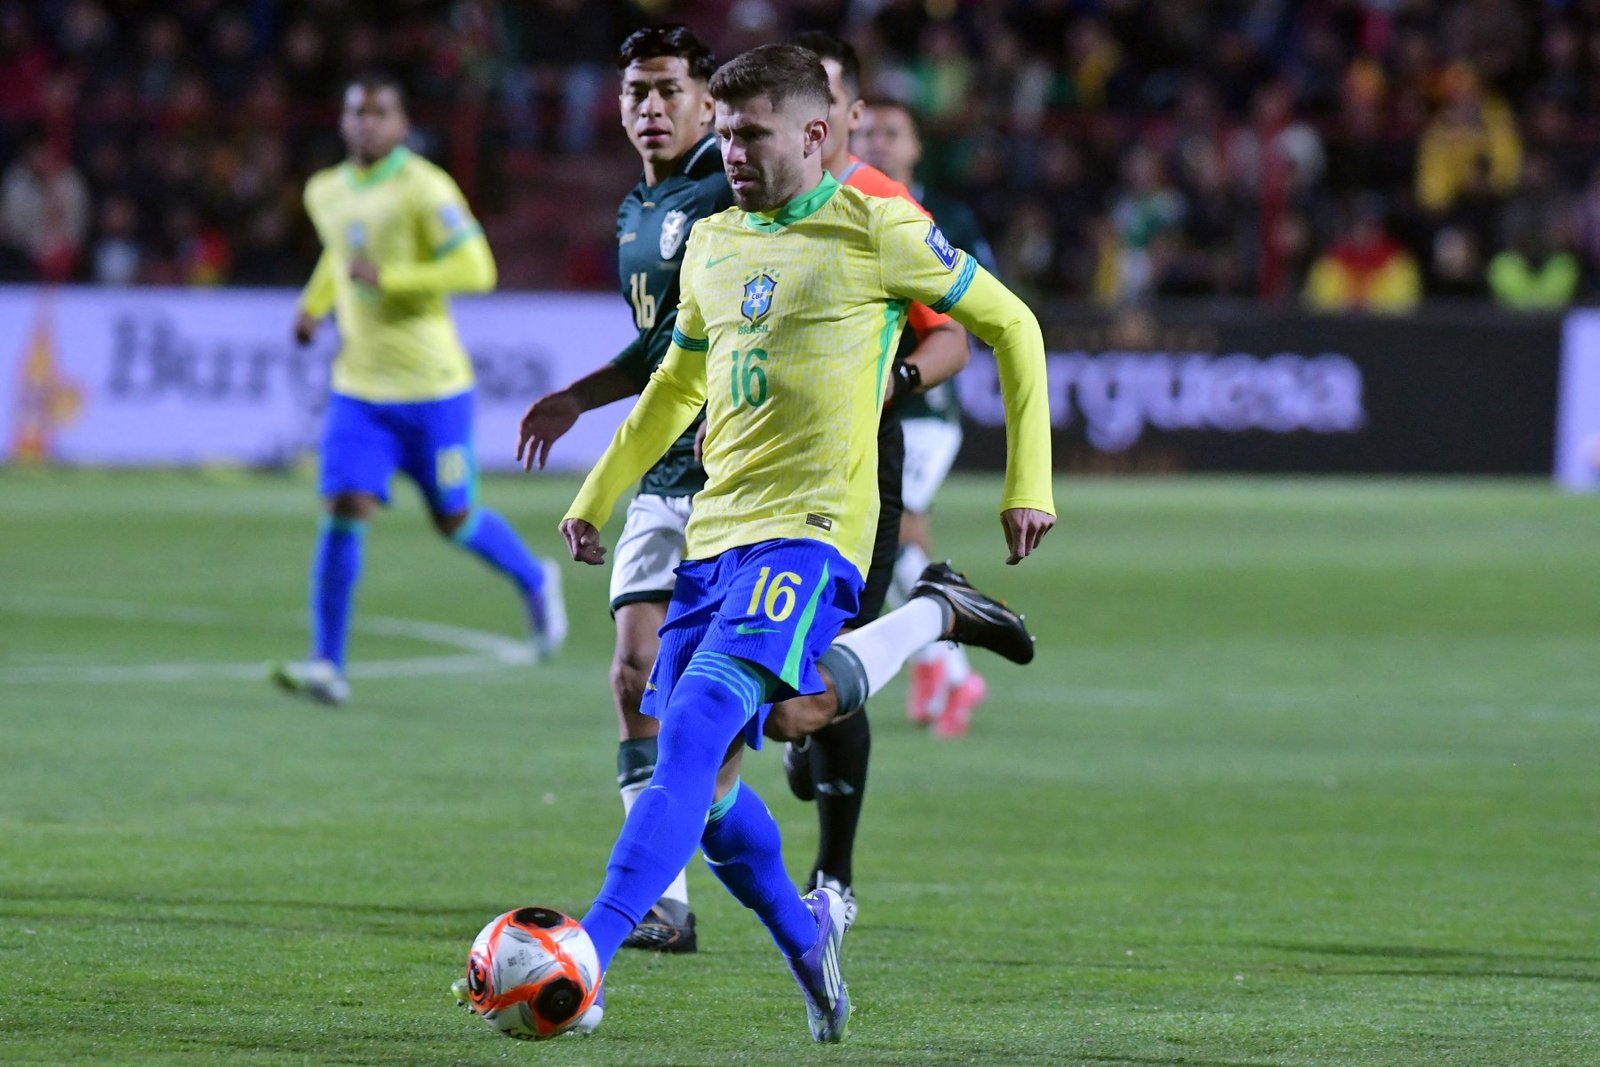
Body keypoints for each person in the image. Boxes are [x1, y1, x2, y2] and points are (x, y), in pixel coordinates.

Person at [555, 43, 1054, 1041]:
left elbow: (1010, 322)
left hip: (817, 528)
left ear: (816, 132)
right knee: (720, 788)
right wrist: (598, 492)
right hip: (716, 530)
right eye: (725, 131)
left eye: (750, 133)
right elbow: (677, 383)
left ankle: (586, 953)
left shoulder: (877, 227)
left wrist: (1025, 480)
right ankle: (807, 944)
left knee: (691, 725)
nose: (730, 150)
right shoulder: (716, 240)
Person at [272, 75, 565, 706]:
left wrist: (391, 278)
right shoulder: (324, 191)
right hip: (358, 390)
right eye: (356, 111)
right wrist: (313, 305)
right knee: (344, 508)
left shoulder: (426, 188)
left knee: (454, 518)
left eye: (379, 113)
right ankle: (327, 662)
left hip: (434, 391)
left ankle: (534, 578)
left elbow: (476, 268)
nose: (365, 123)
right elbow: (336, 255)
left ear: (403, 125)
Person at [857, 94, 998, 737]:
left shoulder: (946, 219)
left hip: (924, 406)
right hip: (865, 406)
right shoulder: (847, 207)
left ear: (916, 148)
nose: (879, 142)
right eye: (869, 131)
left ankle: (951, 656)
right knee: (901, 536)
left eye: (893, 132)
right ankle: (938, 664)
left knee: (887, 532)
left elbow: (983, 301)